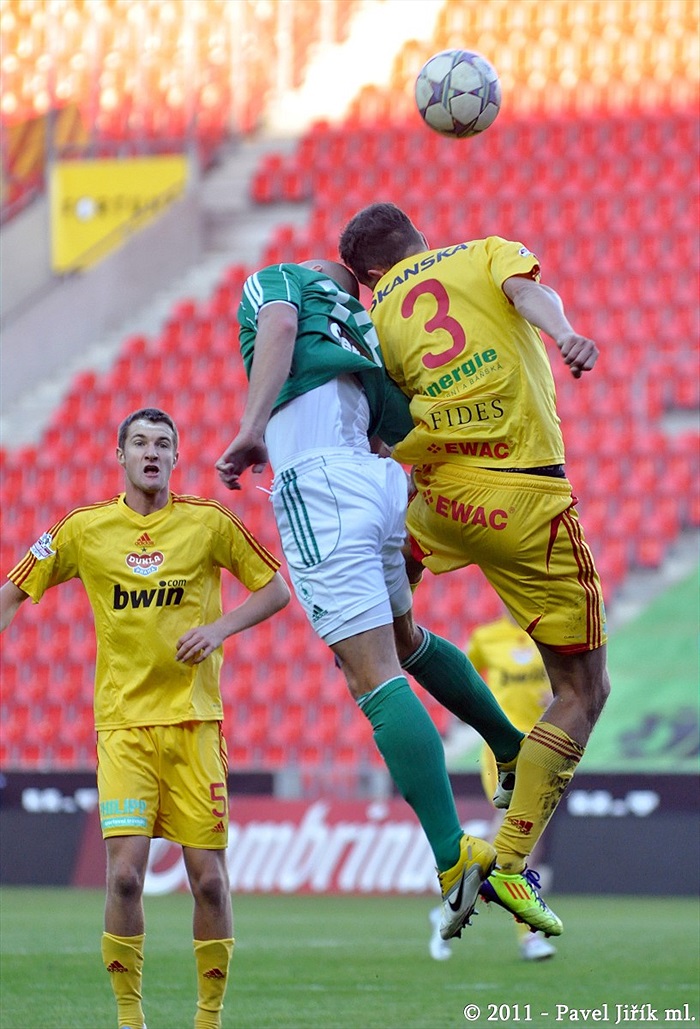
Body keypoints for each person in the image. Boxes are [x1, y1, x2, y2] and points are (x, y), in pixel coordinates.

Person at [215, 258, 556, 943]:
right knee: (404, 639)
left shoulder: (282, 281)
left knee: (371, 675)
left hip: (318, 481)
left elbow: (277, 323)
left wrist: (253, 427)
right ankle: (509, 745)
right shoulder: (366, 331)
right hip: (376, 479)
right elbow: (387, 429)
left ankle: (453, 853)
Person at [339, 203, 611, 934]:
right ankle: (515, 864)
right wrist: (565, 335)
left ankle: (501, 743)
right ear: (416, 238)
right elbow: (529, 294)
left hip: (438, 501)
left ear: (370, 275)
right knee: (583, 688)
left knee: (394, 639)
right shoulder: (486, 251)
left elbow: (381, 418)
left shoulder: (379, 317)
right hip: (525, 499)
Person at [0, 408, 291, 1029]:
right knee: (127, 879)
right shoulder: (84, 530)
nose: (151, 452)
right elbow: (14, 591)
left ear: (177, 458)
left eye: (163, 443)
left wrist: (218, 629)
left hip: (195, 726)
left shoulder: (209, 524)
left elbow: (275, 589)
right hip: (125, 729)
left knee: (209, 882)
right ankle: (130, 1021)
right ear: (121, 456)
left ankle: (207, 1020)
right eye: (140, 442)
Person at [429, 609, 557, 962]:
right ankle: (528, 936)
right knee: (519, 832)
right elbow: (457, 678)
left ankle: (457, 894)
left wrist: (557, 698)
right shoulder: (487, 638)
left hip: (544, 745)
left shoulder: (547, 633)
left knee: (530, 840)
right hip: (502, 745)